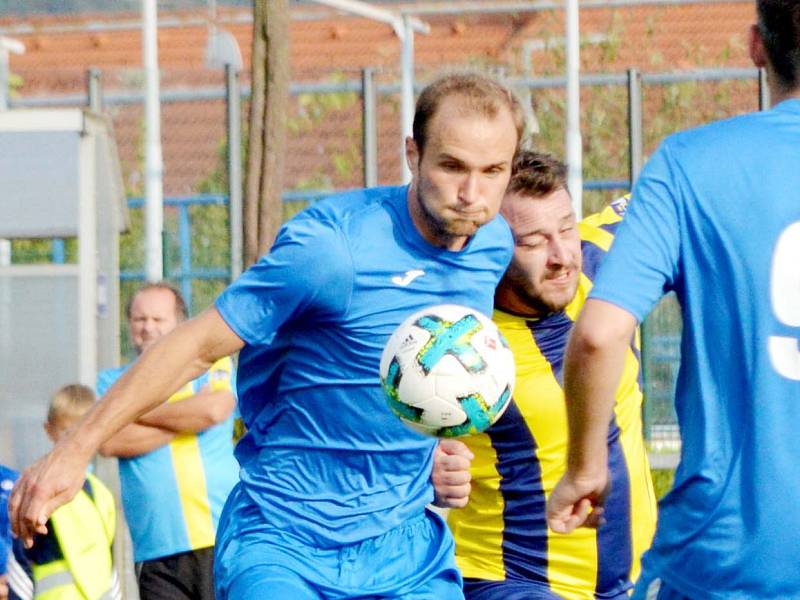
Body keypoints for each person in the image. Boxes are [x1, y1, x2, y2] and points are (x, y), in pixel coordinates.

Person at [10, 73, 525, 599]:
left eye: (493, 172)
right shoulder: (331, 251)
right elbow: (195, 346)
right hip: (285, 540)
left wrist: (434, 441)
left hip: (404, 546)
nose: (471, 194)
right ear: (413, 155)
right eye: (452, 166)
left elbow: (435, 370)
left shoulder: (494, 246)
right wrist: (74, 450)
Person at [546, 1, 800, 597]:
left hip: (731, 560)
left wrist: (586, 468)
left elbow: (599, 334)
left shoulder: (691, 164)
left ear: (756, 46)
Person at [433, 151, 656, 600]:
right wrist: (426, 466)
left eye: (566, 229)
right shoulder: (457, 341)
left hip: (640, 582)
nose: (561, 256)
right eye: (533, 242)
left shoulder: (601, 260)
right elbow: (366, 421)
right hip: (511, 583)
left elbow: (691, 191)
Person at [95, 282, 238, 600]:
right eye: (139, 319)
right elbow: (109, 441)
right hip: (156, 546)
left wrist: (131, 410)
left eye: (158, 320)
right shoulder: (111, 381)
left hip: (220, 533)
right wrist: (189, 422)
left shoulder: (212, 366)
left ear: (180, 325)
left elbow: (214, 410)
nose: (148, 328)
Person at [23, 384, 121, 600]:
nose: (75, 441)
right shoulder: (40, 488)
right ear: (49, 430)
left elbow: (109, 557)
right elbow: (23, 554)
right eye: (67, 432)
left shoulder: (101, 492)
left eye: (82, 432)